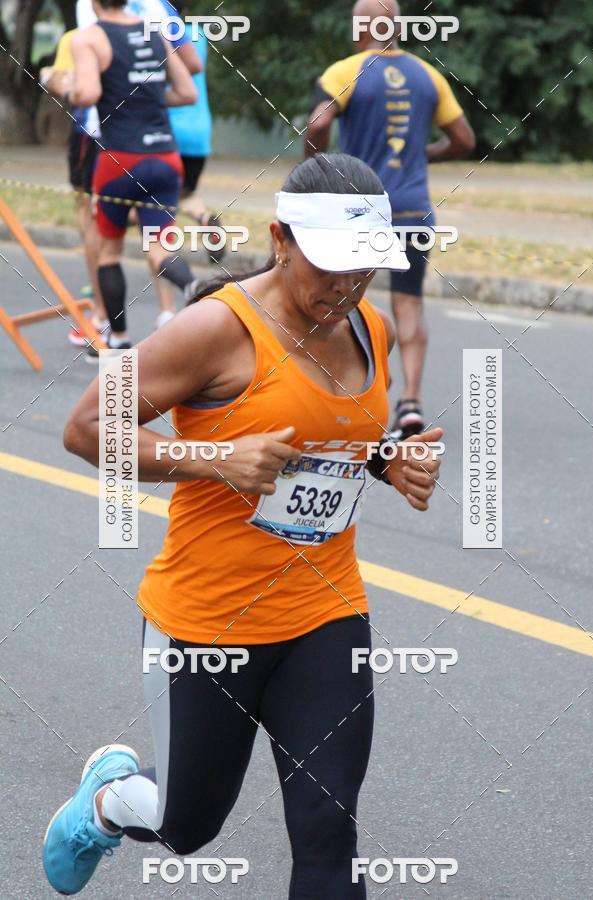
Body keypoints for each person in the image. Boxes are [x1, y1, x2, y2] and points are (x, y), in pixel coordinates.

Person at [43, 152, 444, 898]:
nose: (347, 286)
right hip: (209, 621)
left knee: (328, 834)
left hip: (325, 612)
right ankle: (107, 801)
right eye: (331, 266)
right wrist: (214, 457)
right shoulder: (214, 330)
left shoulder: (372, 327)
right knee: (187, 823)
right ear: (280, 240)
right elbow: (85, 428)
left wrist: (389, 460)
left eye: (364, 268)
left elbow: (333, 431)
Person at [305, 0, 475, 437]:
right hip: (413, 209)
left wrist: (316, 169)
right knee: (409, 303)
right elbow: (463, 138)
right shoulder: (428, 74)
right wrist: (422, 154)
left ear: (358, 27)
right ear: (397, 27)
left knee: (344, 300)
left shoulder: (345, 72)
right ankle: (411, 403)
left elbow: (318, 124)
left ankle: (352, 397)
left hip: (360, 208)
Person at [68, 0, 198, 354]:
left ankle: (119, 339)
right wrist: (147, 99)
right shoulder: (155, 32)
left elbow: (89, 93)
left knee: (109, 252)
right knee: (158, 247)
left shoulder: (89, 38)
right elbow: (188, 92)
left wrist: (67, 88)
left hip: (119, 160)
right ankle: (192, 285)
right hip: (165, 157)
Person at [41, 31, 108, 346]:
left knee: (90, 217)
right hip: (145, 137)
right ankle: (170, 312)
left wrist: (50, 77)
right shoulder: (147, 26)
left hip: (91, 134)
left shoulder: (79, 36)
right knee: (134, 217)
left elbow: (63, 84)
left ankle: (100, 316)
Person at [166, 0, 225, 263]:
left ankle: (167, 261)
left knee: (152, 199)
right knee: (184, 194)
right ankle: (205, 218)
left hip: (168, 131)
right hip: (199, 132)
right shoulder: (198, 34)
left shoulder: (160, 34)